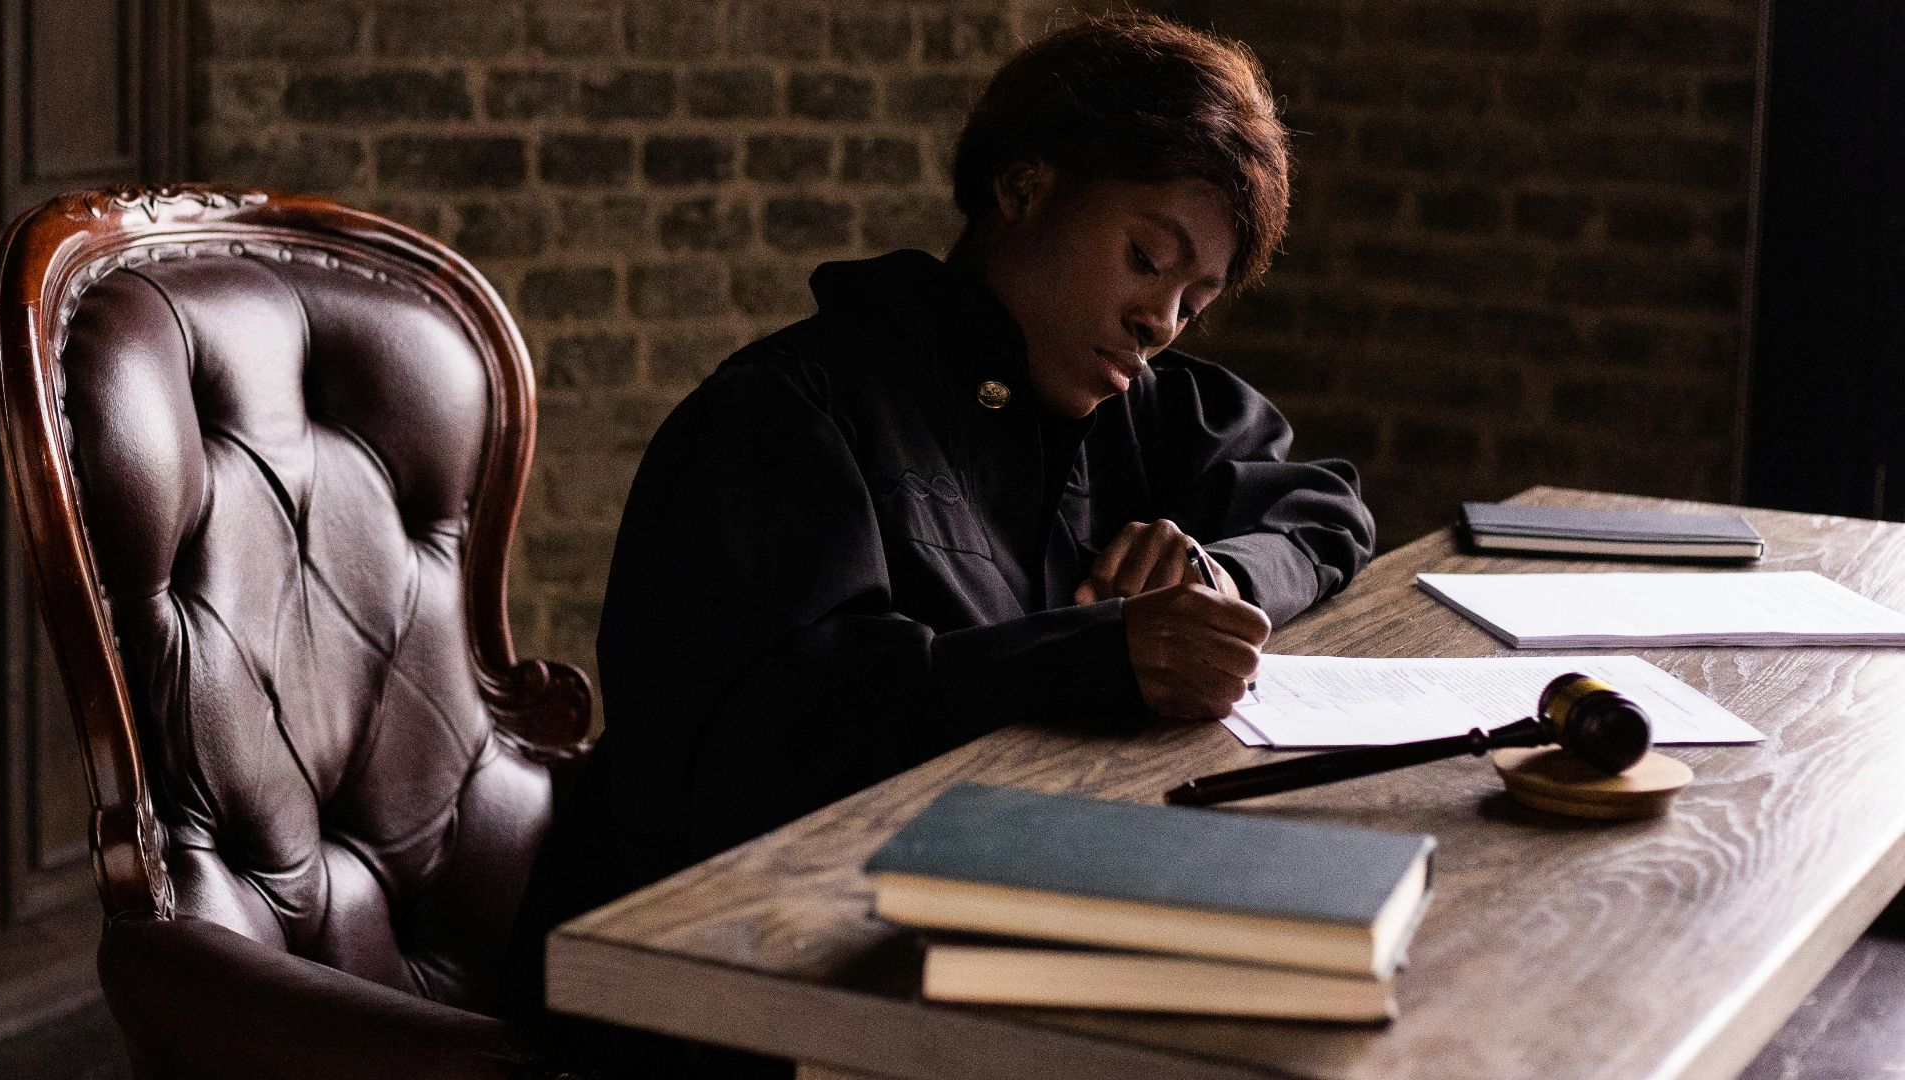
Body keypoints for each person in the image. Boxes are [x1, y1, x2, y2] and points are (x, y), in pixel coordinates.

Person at [505, 12, 1375, 1074]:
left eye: (1196, 299)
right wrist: (1104, 651)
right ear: (1022, 187)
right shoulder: (788, 411)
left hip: (985, 944)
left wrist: (1219, 572)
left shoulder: (1135, 407)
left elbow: (1323, 509)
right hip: (733, 1005)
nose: (1162, 321)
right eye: (1148, 258)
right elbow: (771, 738)